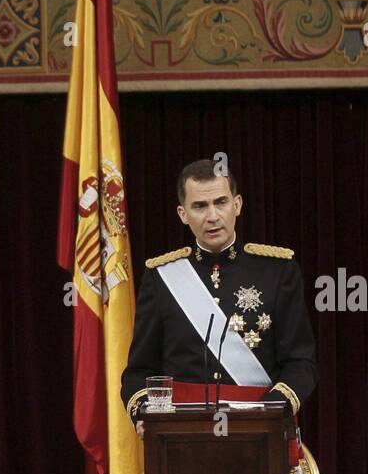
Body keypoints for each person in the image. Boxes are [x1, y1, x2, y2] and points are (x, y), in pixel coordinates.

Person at [120, 159, 318, 427]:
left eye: (221, 202)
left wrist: (272, 408)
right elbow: (139, 372)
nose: (212, 216)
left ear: (237, 205)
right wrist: (144, 414)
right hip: (180, 436)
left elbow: (301, 362)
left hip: (260, 431)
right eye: (200, 206)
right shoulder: (160, 278)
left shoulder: (278, 271)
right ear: (182, 213)